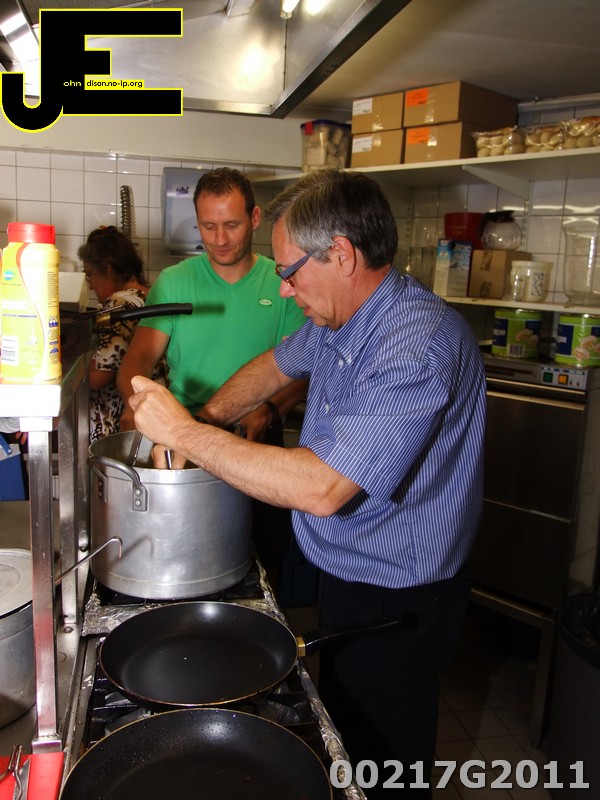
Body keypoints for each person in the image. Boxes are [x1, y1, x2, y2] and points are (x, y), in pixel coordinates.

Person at [127, 169, 487, 797]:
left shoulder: (416, 343)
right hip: (351, 572)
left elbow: (324, 487)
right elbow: (274, 367)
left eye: (291, 272)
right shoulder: (342, 318)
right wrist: (207, 418)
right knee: (346, 731)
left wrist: (185, 433)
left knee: (385, 758)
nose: (284, 290)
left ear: (341, 254)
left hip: (399, 594)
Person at [117, 166, 307, 573]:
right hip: (182, 440)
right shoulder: (174, 282)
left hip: (256, 438)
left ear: (254, 218)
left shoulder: (284, 283)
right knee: (184, 556)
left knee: (261, 559)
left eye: (232, 225)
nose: (220, 239)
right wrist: (135, 404)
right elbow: (136, 361)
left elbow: (302, 368)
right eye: (208, 226)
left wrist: (268, 411)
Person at [78, 225, 165, 442]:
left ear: (107, 269)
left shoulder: (118, 303)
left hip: (120, 428)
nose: (91, 286)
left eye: (90, 275)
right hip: (153, 419)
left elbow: (99, 376)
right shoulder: (151, 296)